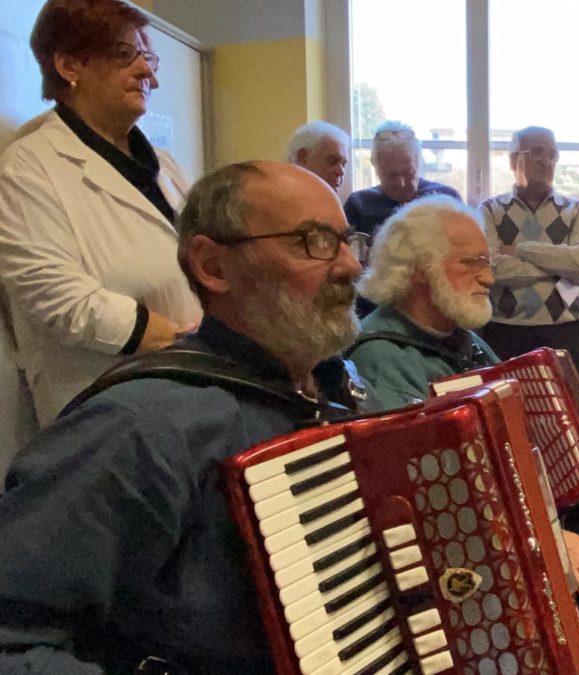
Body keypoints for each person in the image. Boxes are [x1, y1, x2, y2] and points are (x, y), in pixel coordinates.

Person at [0, 161, 369, 674]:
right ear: (214, 266)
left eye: (348, 242)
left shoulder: (337, 391)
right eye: (313, 241)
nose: (351, 266)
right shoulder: (139, 427)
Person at [347, 195, 579, 675]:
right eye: (472, 262)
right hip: (467, 549)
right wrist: (545, 543)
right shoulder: (380, 356)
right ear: (420, 270)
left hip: (524, 516)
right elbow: (427, 502)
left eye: (487, 261)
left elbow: (519, 432)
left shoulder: (462, 340)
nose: (489, 277)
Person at [0, 0, 201, 426]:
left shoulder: (165, 165)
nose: (148, 74)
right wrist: (184, 342)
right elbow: (55, 296)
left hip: (189, 386)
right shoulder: (29, 167)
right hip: (103, 401)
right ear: (69, 65)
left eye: (148, 58)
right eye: (125, 54)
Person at [478, 126, 579, 377]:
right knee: (506, 403)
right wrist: (558, 268)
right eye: (537, 152)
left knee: (566, 403)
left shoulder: (576, 210)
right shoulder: (490, 209)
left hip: (564, 331)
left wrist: (519, 250)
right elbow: (492, 268)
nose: (547, 161)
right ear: (513, 160)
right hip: (505, 331)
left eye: (553, 154)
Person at [343, 120, 461, 240]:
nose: (401, 183)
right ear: (376, 167)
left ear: (419, 163)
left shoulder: (446, 200)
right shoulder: (359, 205)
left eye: (408, 173)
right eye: (392, 175)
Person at [286, 120, 350, 192]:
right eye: (332, 161)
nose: (341, 172)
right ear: (303, 157)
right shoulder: (280, 195)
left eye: (343, 164)